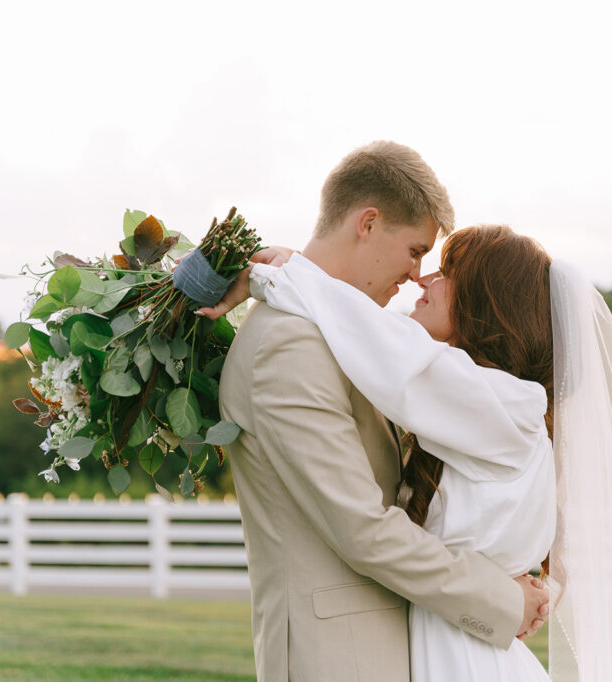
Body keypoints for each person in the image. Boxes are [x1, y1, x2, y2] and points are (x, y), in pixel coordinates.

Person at [206, 224, 612, 681]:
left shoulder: (509, 408)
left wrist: (285, 276)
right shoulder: (484, 402)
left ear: (486, 303)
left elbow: (389, 352)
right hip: (451, 643)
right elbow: (378, 344)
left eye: (447, 272)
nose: (423, 280)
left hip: (467, 659)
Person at [204, 141, 551, 682]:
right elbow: (362, 528)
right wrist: (501, 600)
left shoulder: (350, 341)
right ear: (368, 223)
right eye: (416, 251)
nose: (418, 275)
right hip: (338, 655)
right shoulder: (289, 345)